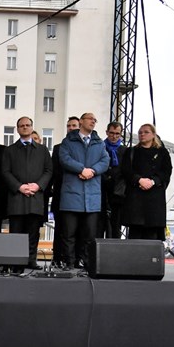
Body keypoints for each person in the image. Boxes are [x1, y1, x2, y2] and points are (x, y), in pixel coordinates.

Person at [0, 116, 53, 269]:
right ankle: (16, 262)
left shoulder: (42, 150)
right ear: (17, 129)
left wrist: (38, 185)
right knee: (16, 231)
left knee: (33, 231)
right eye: (21, 125)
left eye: (27, 125)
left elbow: (49, 170)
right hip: (17, 197)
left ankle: (31, 260)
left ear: (32, 127)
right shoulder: (9, 150)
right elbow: (5, 172)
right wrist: (19, 187)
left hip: (35, 197)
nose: (24, 127)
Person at [58, 112, 109, 270]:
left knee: (89, 234)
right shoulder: (68, 141)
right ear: (81, 121)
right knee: (69, 233)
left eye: (95, 120)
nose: (93, 121)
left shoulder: (99, 143)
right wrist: (81, 169)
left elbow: (105, 160)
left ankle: (85, 262)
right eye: (90, 119)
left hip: (91, 196)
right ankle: (69, 262)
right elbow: (64, 158)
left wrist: (92, 171)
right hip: (72, 193)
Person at [121, 123, 172, 241]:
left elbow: (166, 171)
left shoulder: (162, 152)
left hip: (154, 199)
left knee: (152, 235)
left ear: (153, 134)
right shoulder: (131, 151)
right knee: (135, 234)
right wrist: (139, 180)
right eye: (140, 132)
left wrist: (153, 181)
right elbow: (126, 170)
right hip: (135, 198)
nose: (142, 134)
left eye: (146, 132)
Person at [50, 116, 80, 267]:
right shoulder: (58, 148)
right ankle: (57, 258)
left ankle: (75, 259)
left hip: (79, 195)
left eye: (74, 125)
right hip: (61, 194)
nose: (71, 128)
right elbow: (55, 172)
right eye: (68, 126)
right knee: (60, 228)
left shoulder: (85, 148)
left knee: (76, 230)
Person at [101, 121, 126, 239]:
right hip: (101, 190)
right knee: (99, 225)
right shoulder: (100, 147)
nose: (114, 136)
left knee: (116, 226)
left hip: (118, 193)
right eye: (111, 133)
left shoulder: (125, 151)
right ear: (107, 132)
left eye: (117, 133)